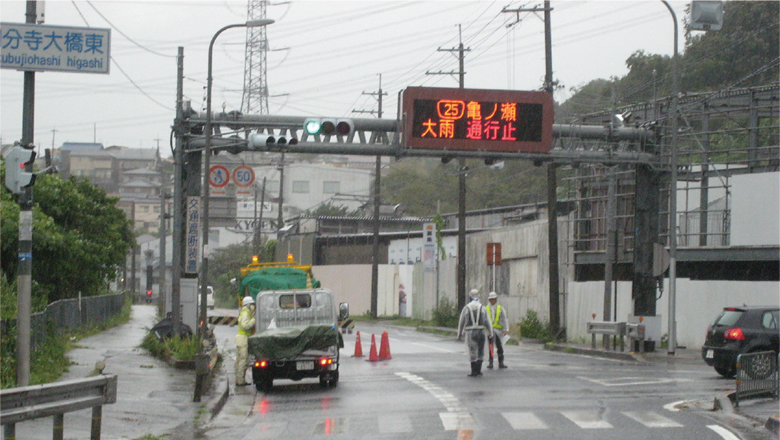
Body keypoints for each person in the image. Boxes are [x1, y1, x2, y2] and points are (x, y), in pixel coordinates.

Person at [457, 289, 493, 377]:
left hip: (470, 331)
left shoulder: (467, 308)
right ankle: (479, 370)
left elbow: (461, 321)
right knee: (481, 350)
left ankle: (473, 371)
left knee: (472, 350)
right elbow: (488, 321)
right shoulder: (482, 307)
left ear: (470, 297)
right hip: (481, 331)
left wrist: (459, 333)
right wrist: (490, 332)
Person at [235, 296, 256, 386]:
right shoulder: (246, 313)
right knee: (243, 361)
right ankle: (240, 381)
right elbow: (245, 326)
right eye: (252, 304)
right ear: (248, 305)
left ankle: (239, 379)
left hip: (241, 339)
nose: (253, 306)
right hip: (243, 339)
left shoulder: (245, 312)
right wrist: (254, 320)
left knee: (240, 361)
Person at [486, 291, 509, 369]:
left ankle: (501, 362)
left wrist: (505, 329)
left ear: (496, 299)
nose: (492, 301)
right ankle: (491, 362)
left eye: (493, 299)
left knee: (499, 347)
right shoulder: (486, 309)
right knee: (491, 347)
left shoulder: (500, 308)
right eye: (491, 299)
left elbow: (504, 319)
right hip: (490, 331)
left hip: (498, 331)